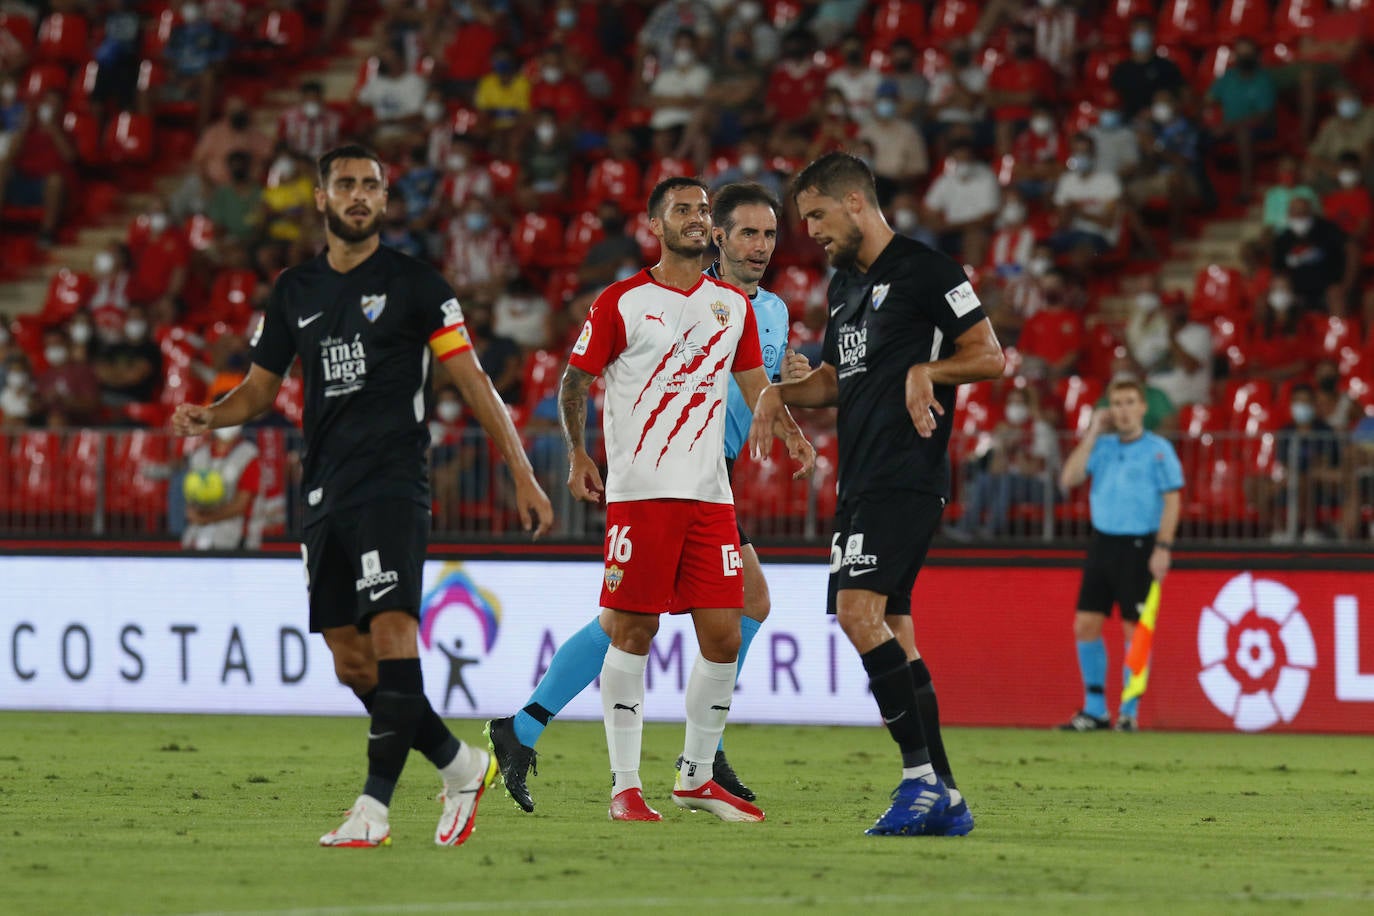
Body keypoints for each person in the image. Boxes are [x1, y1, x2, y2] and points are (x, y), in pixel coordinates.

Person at [170, 143, 555, 848]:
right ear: (320, 198)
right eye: (344, 184)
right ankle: (460, 763)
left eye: (370, 185)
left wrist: (522, 471)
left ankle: (373, 807)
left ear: (384, 200)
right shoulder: (295, 290)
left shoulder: (417, 285)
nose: (356, 195)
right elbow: (260, 388)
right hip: (323, 490)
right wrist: (210, 413)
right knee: (351, 661)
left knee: (391, 632)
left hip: (392, 481)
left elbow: (473, 381)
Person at [484, 182, 800, 813]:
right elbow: (592, 377)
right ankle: (688, 754)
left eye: (769, 234)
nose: (759, 246)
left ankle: (536, 731)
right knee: (640, 620)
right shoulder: (658, 302)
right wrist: (581, 452)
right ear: (719, 238)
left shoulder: (764, 311)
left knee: (679, 616)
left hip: (713, 475)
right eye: (746, 232)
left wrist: (795, 395)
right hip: (661, 478)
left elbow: (755, 388)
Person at [751, 152, 1006, 836]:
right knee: (893, 630)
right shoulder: (844, 286)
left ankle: (919, 780)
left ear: (856, 203)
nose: (811, 233)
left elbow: (989, 355)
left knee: (858, 612)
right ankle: (946, 796)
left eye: (817, 217)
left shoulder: (928, 271)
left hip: (905, 472)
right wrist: (781, 393)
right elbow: (840, 379)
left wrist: (928, 369)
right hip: (860, 478)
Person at [1058, 377, 1182, 733]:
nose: (1123, 410)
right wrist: (1093, 432)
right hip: (1103, 544)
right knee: (1086, 624)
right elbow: (1069, 478)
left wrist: (1163, 547)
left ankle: (1128, 710)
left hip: (1140, 546)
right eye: (1117, 403)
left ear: (1142, 407)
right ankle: (1095, 709)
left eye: (1129, 402)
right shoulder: (1103, 446)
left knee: (1135, 629)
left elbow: (1173, 500)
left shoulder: (1159, 449)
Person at [181, 423, 260, 550]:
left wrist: (206, 518)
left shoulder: (248, 455)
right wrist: (194, 514)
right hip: (196, 537)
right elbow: (190, 500)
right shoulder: (199, 455)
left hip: (235, 538)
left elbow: (241, 504)